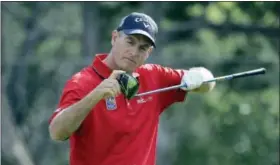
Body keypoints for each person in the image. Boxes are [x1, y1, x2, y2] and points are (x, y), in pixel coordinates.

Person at [48, 12, 216, 165]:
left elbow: (209, 81)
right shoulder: (82, 82)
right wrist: (95, 95)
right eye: (130, 42)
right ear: (114, 38)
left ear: (148, 52)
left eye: (142, 48)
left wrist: (198, 77)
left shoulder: (154, 76)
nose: (134, 52)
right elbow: (57, 132)